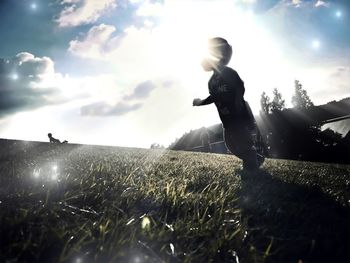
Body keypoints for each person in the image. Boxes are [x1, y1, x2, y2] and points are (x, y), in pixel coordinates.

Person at [193, 37, 264, 171]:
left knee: (243, 143)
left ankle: (251, 168)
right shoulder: (212, 81)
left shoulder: (228, 72)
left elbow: (240, 86)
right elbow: (213, 97)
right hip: (226, 120)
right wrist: (200, 102)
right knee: (231, 145)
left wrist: (237, 100)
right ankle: (256, 158)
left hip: (239, 116)